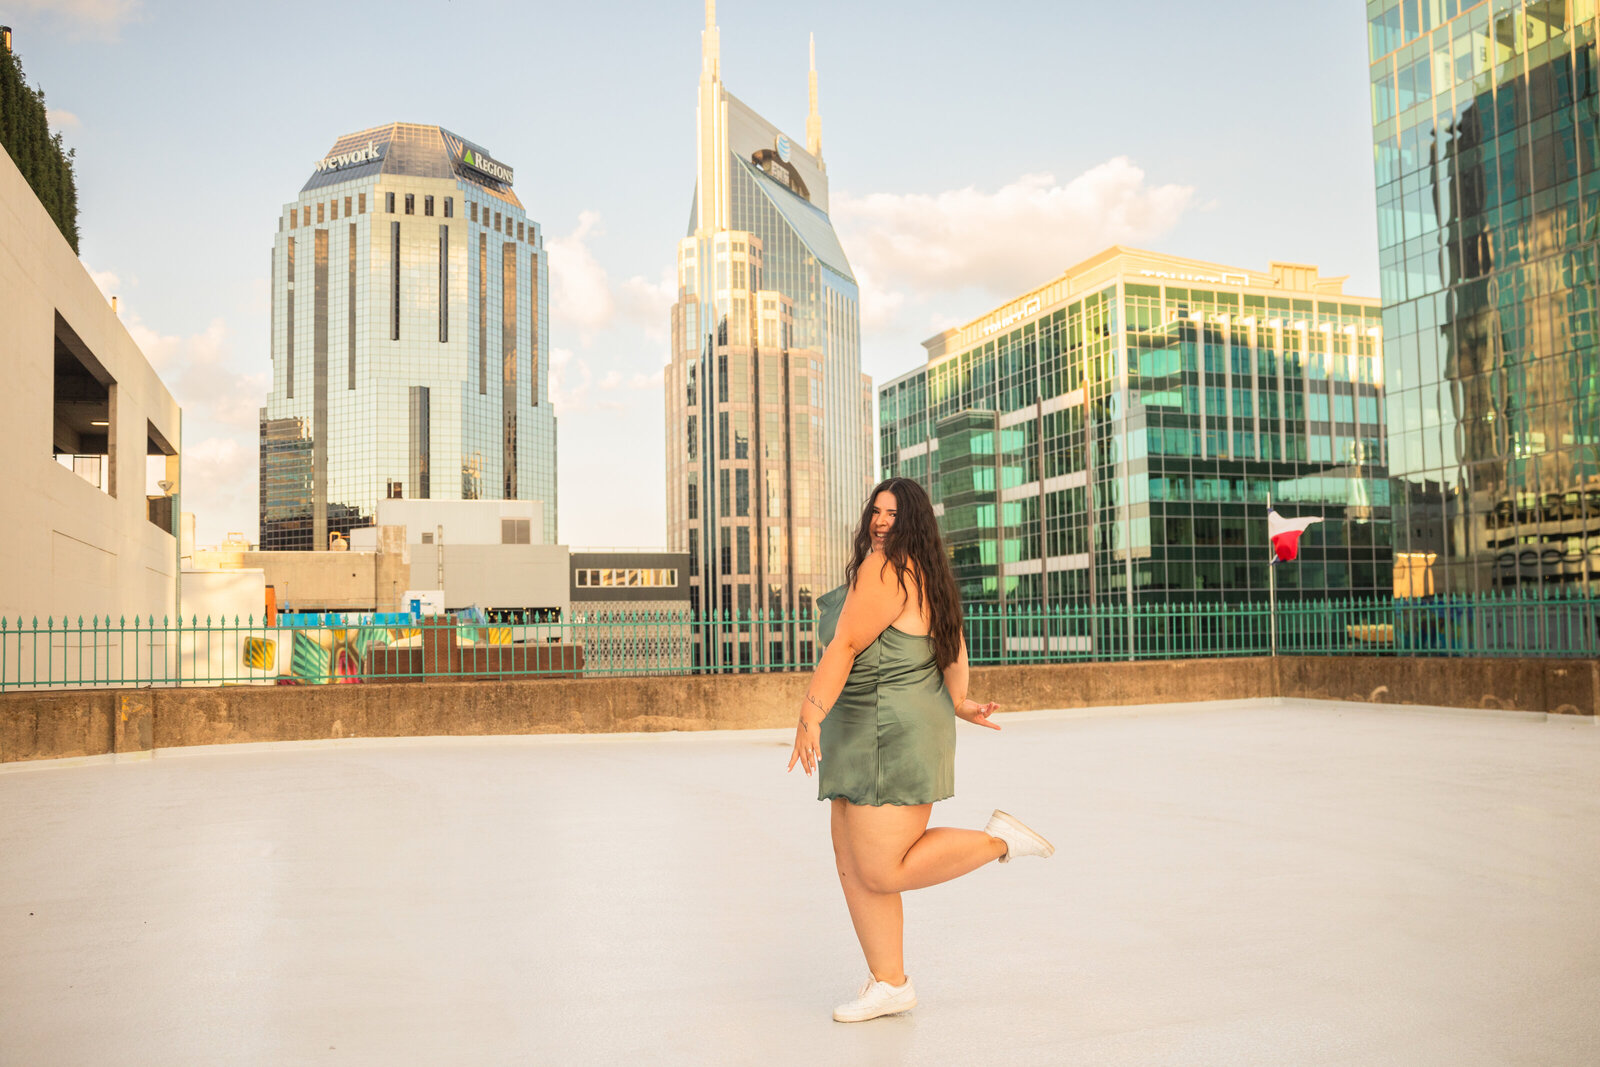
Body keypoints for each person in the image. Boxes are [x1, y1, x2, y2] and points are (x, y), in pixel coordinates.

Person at [787, 477, 1054, 1023]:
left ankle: (996, 842)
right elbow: (952, 646)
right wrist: (960, 702)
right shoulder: (923, 573)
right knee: (852, 866)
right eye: (875, 512)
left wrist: (808, 713)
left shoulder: (887, 570)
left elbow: (846, 645)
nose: (881, 521)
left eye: (893, 513)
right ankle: (890, 984)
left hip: (891, 728)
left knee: (881, 869)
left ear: (913, 521)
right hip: (861, 726)